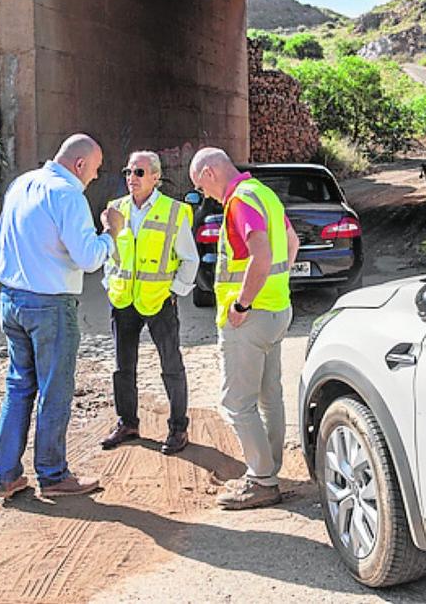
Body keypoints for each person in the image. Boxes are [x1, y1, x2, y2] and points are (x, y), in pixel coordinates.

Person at [0, 133, 124, 500]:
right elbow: (89, 258)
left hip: (11, 300)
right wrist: (111, 233)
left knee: (18, 388)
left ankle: (8, 475)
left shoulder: (21, 184)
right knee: (55, 390)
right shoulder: (68, 195)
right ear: (79, 165)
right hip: (49, 304)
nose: (95, 177)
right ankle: (53, 474)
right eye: (94, 170)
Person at [188, 147, 299, 510]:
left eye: (200, 187)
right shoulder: (264, 193)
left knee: (237, 402)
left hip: (249, 318)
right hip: (278, 310)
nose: (205, 195)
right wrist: (270, 287)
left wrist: (242, 303)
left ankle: (262, 479)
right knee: (270, 395)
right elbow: (292, 243)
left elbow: (261, 256)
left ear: (208, 172)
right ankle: (269, 469)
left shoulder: (239, 201)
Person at [99, 151, 197, 455]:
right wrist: (108, 282)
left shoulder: (173, 211)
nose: (132, 178)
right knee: (122, 367)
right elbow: (109, 251)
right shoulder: (115, 209)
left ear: (156, 177)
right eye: (128, 171)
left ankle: (178, 428)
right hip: (123, 299)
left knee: (171, 365)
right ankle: (127, 422)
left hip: (159, 301)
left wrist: (176, 290)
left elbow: (189, 258)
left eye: (139, 172)